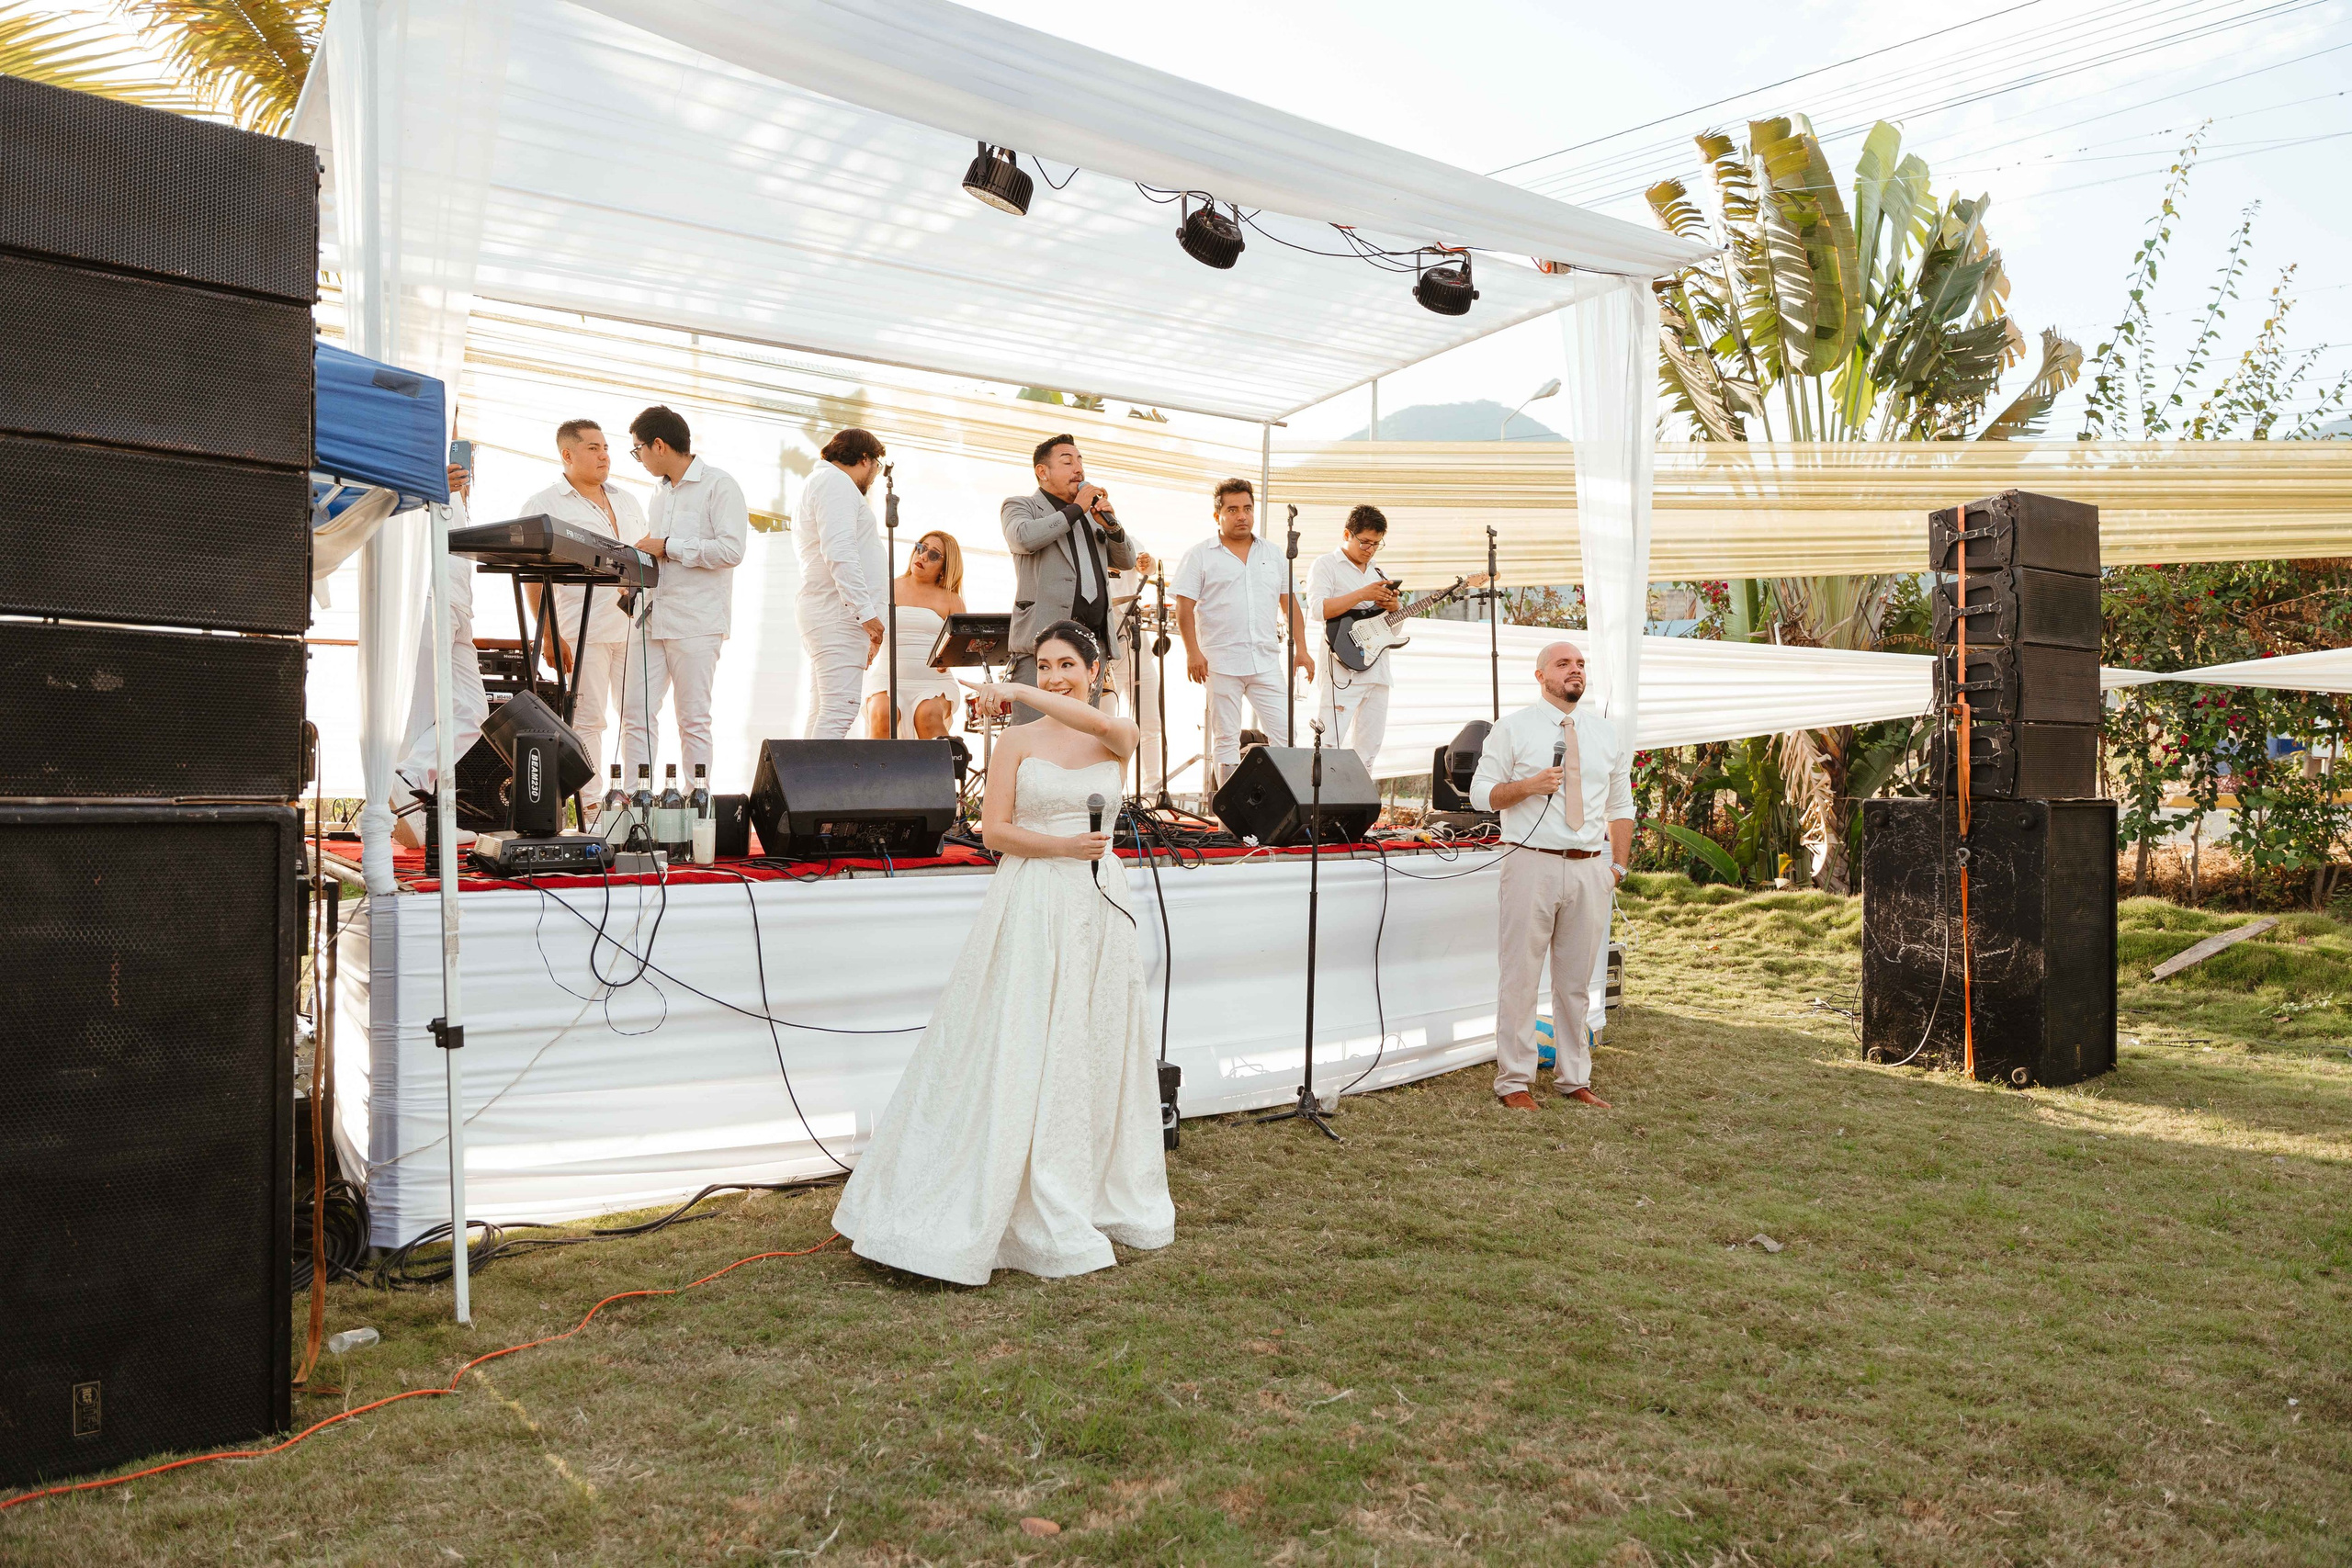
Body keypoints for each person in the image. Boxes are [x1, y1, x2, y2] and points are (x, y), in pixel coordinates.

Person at [831, 620, 1175, 1285]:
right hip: (1035, 897)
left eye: (1066, 664)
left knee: (1094, 1035)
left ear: (1095, 670)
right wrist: (1061, 848)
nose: (1053, 676)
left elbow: (1095, 722)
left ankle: (1089, 1179)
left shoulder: (1117, 732)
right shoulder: (1015, 740)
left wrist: (1017, 688)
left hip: (1102, 903)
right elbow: (994, 830)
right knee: (1021, 1036)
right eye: (1042, 666)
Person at [1469, 641, 1634, 1111]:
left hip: (1589, 868)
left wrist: (1616, 866)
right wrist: (1528, 786)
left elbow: (1621, 806)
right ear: (1541, 676)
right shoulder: (1513, 728)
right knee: (1520, 976)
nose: (1574, 671)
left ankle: (1573, 1077)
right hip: (1530, 862)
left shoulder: (1605, 734)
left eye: (1580, 664)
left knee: (1577, 981)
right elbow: (1481, 795)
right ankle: (1515, 1082)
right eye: (1563, 665)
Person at [521, 419, 648, 795]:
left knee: (638, 717)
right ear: (568, 454)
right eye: (593, 448)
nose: (604, 455)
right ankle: (593, 808)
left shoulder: (627, 499)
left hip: (636, 628)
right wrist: (547, 634)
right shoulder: (544, 504)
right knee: (589, 720)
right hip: (582, 629)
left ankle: (638, 800)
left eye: (606, 447)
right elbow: (530, 575)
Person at [624, 405, 748, 780]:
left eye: (638, 449)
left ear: (658, 445)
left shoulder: (719, 485)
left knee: (692, 720)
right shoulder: (659, 494)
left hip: (696, 622)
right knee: (635, 715)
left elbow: (732, 550)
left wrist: (669, 545)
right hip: (651, 616)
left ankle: (696, 812)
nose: (638, 458)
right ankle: (632, 805)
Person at [1170, 478, 1314, 786]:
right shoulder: (1200, 554)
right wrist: (1192, 652)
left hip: (1265, 660)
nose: (1242, 516)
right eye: (1233, 509)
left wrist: (1301, 649)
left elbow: (1291, 606)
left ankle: (1288, 812)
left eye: (1247, 508)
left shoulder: (1275, 553)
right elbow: (1184, 608)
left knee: (1287, 736)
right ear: (1217, 515)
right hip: (1220, 662)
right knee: (1225, 740)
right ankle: (1228, 824)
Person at [1001, 434, 1136, 719]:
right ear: (1043, 472)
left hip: (1091, 646)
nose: (1078, 468)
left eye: (1080, 461)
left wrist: (1113, 528)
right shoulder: (1020, 506)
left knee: (1082, 737)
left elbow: (1126, 561)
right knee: (1033, 732)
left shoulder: (1091, 515)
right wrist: (1075, 510)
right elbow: (1023, 538)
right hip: (1042, 644)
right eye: (1067, 461)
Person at [390, 462, 487, 846]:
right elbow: (383, 513)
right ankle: (413, 808)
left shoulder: (458, 480)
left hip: (459, 606)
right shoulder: (415, 461)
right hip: (427, 597)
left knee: (471, 709)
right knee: (422, 713)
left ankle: (409, 780)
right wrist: (420, 482)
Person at [797, 428, 889, 739]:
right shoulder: (835, 484)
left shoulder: (824, 482)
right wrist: (866, 614)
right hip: (840, 615)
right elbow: (840, 552)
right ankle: (813, 788)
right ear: (864, 458)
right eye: (876, 465)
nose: (875, 475)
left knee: (823, 711)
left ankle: (800, 788)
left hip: (834, 612)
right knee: (839, 711)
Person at [1306, 504, 1400, 770]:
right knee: (1329, 743)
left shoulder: (1378, 573)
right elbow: (1318, 609)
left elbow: (1392, 630)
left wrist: (1395, 609)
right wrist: (1362, 594)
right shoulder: (1325, 565)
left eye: (1376, 544)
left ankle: (1359, 807)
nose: (1369, 549)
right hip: (1341, 667)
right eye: (1365, 542)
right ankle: (1322, 807)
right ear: (1347, 534)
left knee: (1369, 749)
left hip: (1378, 671)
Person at [859, 528, 967, 739]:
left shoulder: (952, 600)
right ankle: (875, 771)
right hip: (887, 679)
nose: (923, 556)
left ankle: (938, 771)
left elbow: (962, 645)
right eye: (921, 547)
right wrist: (870, 647)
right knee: (883, 714)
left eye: (933, 555)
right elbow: (872, 628)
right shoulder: (887, 587)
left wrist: (950, 658)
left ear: (944, 568)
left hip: (934, 683)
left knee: (927, 716)